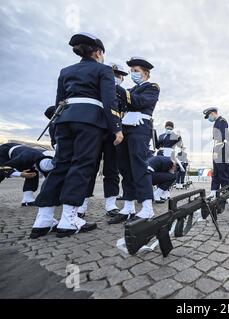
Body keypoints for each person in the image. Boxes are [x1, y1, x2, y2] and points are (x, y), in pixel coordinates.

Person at [31, 32, 123, 239]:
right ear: (98, 52)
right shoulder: (104, 70)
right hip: (89, 122)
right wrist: (116, 127)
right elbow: (109, 101)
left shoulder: (66, 71)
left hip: (64, 120)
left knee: (60, 166)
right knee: (81, 165)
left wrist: (55, 129)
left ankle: (43, 219)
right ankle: (68, 219)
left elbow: (58, 103)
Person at [109, 56, 160, 224]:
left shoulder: (152, 87)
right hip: (124, 129)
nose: (133, 73)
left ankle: (147, 208)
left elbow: (139, 102)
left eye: (136, 71)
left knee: (139, 166)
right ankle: (129, 207)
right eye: (131, 71)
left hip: (140, 129)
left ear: (146, 73)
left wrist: (117, 88)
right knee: (125, 167)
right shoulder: (130, 89)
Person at [81, 62, 130, 218]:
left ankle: (110, 203)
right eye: (114, 74)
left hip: (114, 133)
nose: (117, 78)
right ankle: (81, 203)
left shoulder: (124, 93)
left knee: (111, 169)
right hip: (95, 129)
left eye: (120, 75)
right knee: (89, 167)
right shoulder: (96, 87)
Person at [203, 107, 229, 198]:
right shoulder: (216, 122)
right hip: (216, 148)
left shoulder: (222, 121)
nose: (209, 118)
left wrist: (217, 151)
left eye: (209, 116)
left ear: (213, 113)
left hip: (220, 149)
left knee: (222, 172)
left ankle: (226, 193)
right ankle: (213, 192)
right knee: (216, 172)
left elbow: (221, 137)